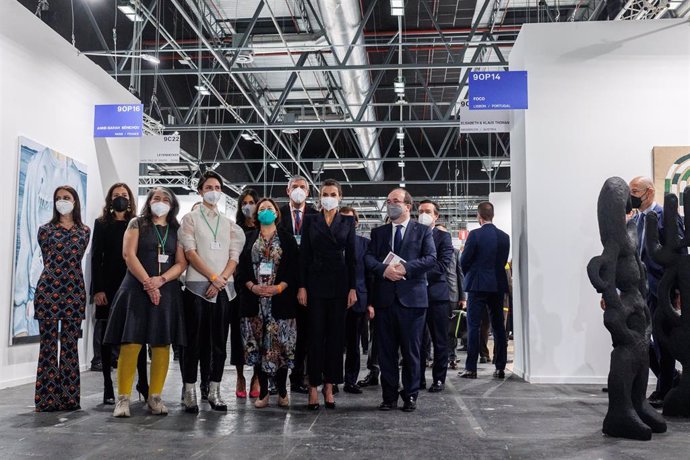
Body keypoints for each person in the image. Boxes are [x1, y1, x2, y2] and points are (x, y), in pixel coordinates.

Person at [105, 187, 187, 417]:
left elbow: (181, 263)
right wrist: (148, 283)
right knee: (131, 342)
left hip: (167, 289)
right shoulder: (137, 223)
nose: (160, 202)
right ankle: (123, 398)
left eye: (165, 199)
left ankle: (155, 396)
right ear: (149, 201)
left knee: (162, 344)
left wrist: (160, 280)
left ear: (172, 205)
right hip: (135, 289)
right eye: (156, 198)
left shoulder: (177, 229)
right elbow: (128, 255)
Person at [178, 171, 246, 413]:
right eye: (209, 186)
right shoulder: (190, 219)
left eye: (217, 186)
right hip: (196, 289)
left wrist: (221, 280)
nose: (213, 190)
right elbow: (190, 252)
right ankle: (189, 392)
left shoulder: (229, 224)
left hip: (223, 292)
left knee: (219, 344)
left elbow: (233, 257)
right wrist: (214, 277)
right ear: (200, 191)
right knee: (193, 344)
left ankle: (215, 391)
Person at [364, 188, 436, 412]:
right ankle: (389, 396)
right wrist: (383, 269)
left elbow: (430, 258)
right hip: (385, 301)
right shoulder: (379, 233)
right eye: (388, 201)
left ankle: (411, 394)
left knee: (412, 352)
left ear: (407, 206)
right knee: (386, 353)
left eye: (396, 201)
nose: (391, 204)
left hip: (413, 301)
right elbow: (368, 258)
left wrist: (406, 268)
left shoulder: (423, 231)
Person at [298, 179, 357, 410]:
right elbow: (304, 255)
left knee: (335, 338)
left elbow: (352, 257)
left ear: (340, 197)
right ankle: (313, 386)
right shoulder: (311, 220)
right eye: (325, 193)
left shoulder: (347, 221)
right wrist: (302, 286)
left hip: (340, 283)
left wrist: (353, 288)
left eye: (333, 193)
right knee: (315, 336)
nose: (329, 197)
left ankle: (329, 386)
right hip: (315, 283)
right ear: (319, 196)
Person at [237, 198, 299, 408]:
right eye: (261, 209)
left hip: (280, 301)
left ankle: (282, 391)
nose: (265, 211)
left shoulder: (287, 239)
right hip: (254, 302)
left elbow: (294, 269)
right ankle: (263, 392)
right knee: (258, 348)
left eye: (269, 209)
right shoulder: (247, 238)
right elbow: (241, 268)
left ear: (276, 213)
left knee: (281, 348)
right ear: (256, 214)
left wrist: (279, 287)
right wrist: (252, 287)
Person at [34, 186, 90, 412]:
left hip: (74, 291)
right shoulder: (44, 230)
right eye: (58, 198)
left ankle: (69, 398)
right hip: (48, 289)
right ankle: (46, 400)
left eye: (66, 198)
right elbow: (47, 257)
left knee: (69, 346)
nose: (62, 201)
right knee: (47, 346)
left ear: (75, 201)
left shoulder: (84, 231)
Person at [91, 183, 148, 405]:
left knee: (137, 335)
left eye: (124, 195)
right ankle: (108, 385)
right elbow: (96, 257)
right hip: (109, 284)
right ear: (110, 199)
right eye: (116, 195)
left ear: (130, 199)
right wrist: (97, 289)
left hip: (133, 283)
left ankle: (143, 382)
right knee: (106, 338)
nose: (121, 199)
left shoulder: (138, 224)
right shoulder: (101, 223)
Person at [629, 176, 683, 407]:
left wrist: (678, 290)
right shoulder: (637, 220)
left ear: (649, 192)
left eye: (635, 191)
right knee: (641, 338)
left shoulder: (665, 217)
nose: (631, 196)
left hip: (662, 287)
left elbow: (679, 254)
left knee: (663, 339)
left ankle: (664, 389)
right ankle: (669, 378)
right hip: (641, 288)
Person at [459, 201, 510, 380]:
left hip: (477, 285)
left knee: (474, 326)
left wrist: (470, 275)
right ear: (492, 215)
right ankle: (500, 367)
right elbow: (502, 260)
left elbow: (463, 261)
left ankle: (471, 368)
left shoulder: (475, 235)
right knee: (498, 327)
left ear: (478, 217)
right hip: (497, 285)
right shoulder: (505, 237)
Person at [279, 175, 318, 394]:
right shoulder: (279, 215)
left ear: (308, 192)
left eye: (303, 187)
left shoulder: (315, 215)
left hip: (308, 283)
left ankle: (298, 379)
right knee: (281, 332)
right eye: (295, 187)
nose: (299, 190)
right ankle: (276, 380)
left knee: (303, 334)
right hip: (283, 281)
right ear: (288, 191)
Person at [417, 201, 454, 393]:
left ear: (436, 216)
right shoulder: (412, 234)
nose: (423, 214)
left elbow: (442, 265)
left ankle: (439, 379)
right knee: (417, 341)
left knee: (440, 340)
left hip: (437, 296)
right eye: (421, 211)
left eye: (427, 212)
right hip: (414, 296)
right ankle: (418, 379)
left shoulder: (443, 237)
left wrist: (415, 271)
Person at [339, 206, 371, 394]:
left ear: (356, 223)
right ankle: (332, 380)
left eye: (350, 220)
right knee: (333, 342)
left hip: (358, 300)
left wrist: (371, 302)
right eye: (342, 220)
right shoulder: (330, 242)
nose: (346, 224)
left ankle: (351, 380)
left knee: (354, 344)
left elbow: (370, 275)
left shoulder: (365, 244)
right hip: (333, 299)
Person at [436, 224, 465, 370]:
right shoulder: (430, 250)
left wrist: (463, 297)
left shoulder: (455, 252)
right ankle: (431, 356)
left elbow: (460, 275)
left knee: (452, 330)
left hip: (452, 294)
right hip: (434, 294)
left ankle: (452, 357)